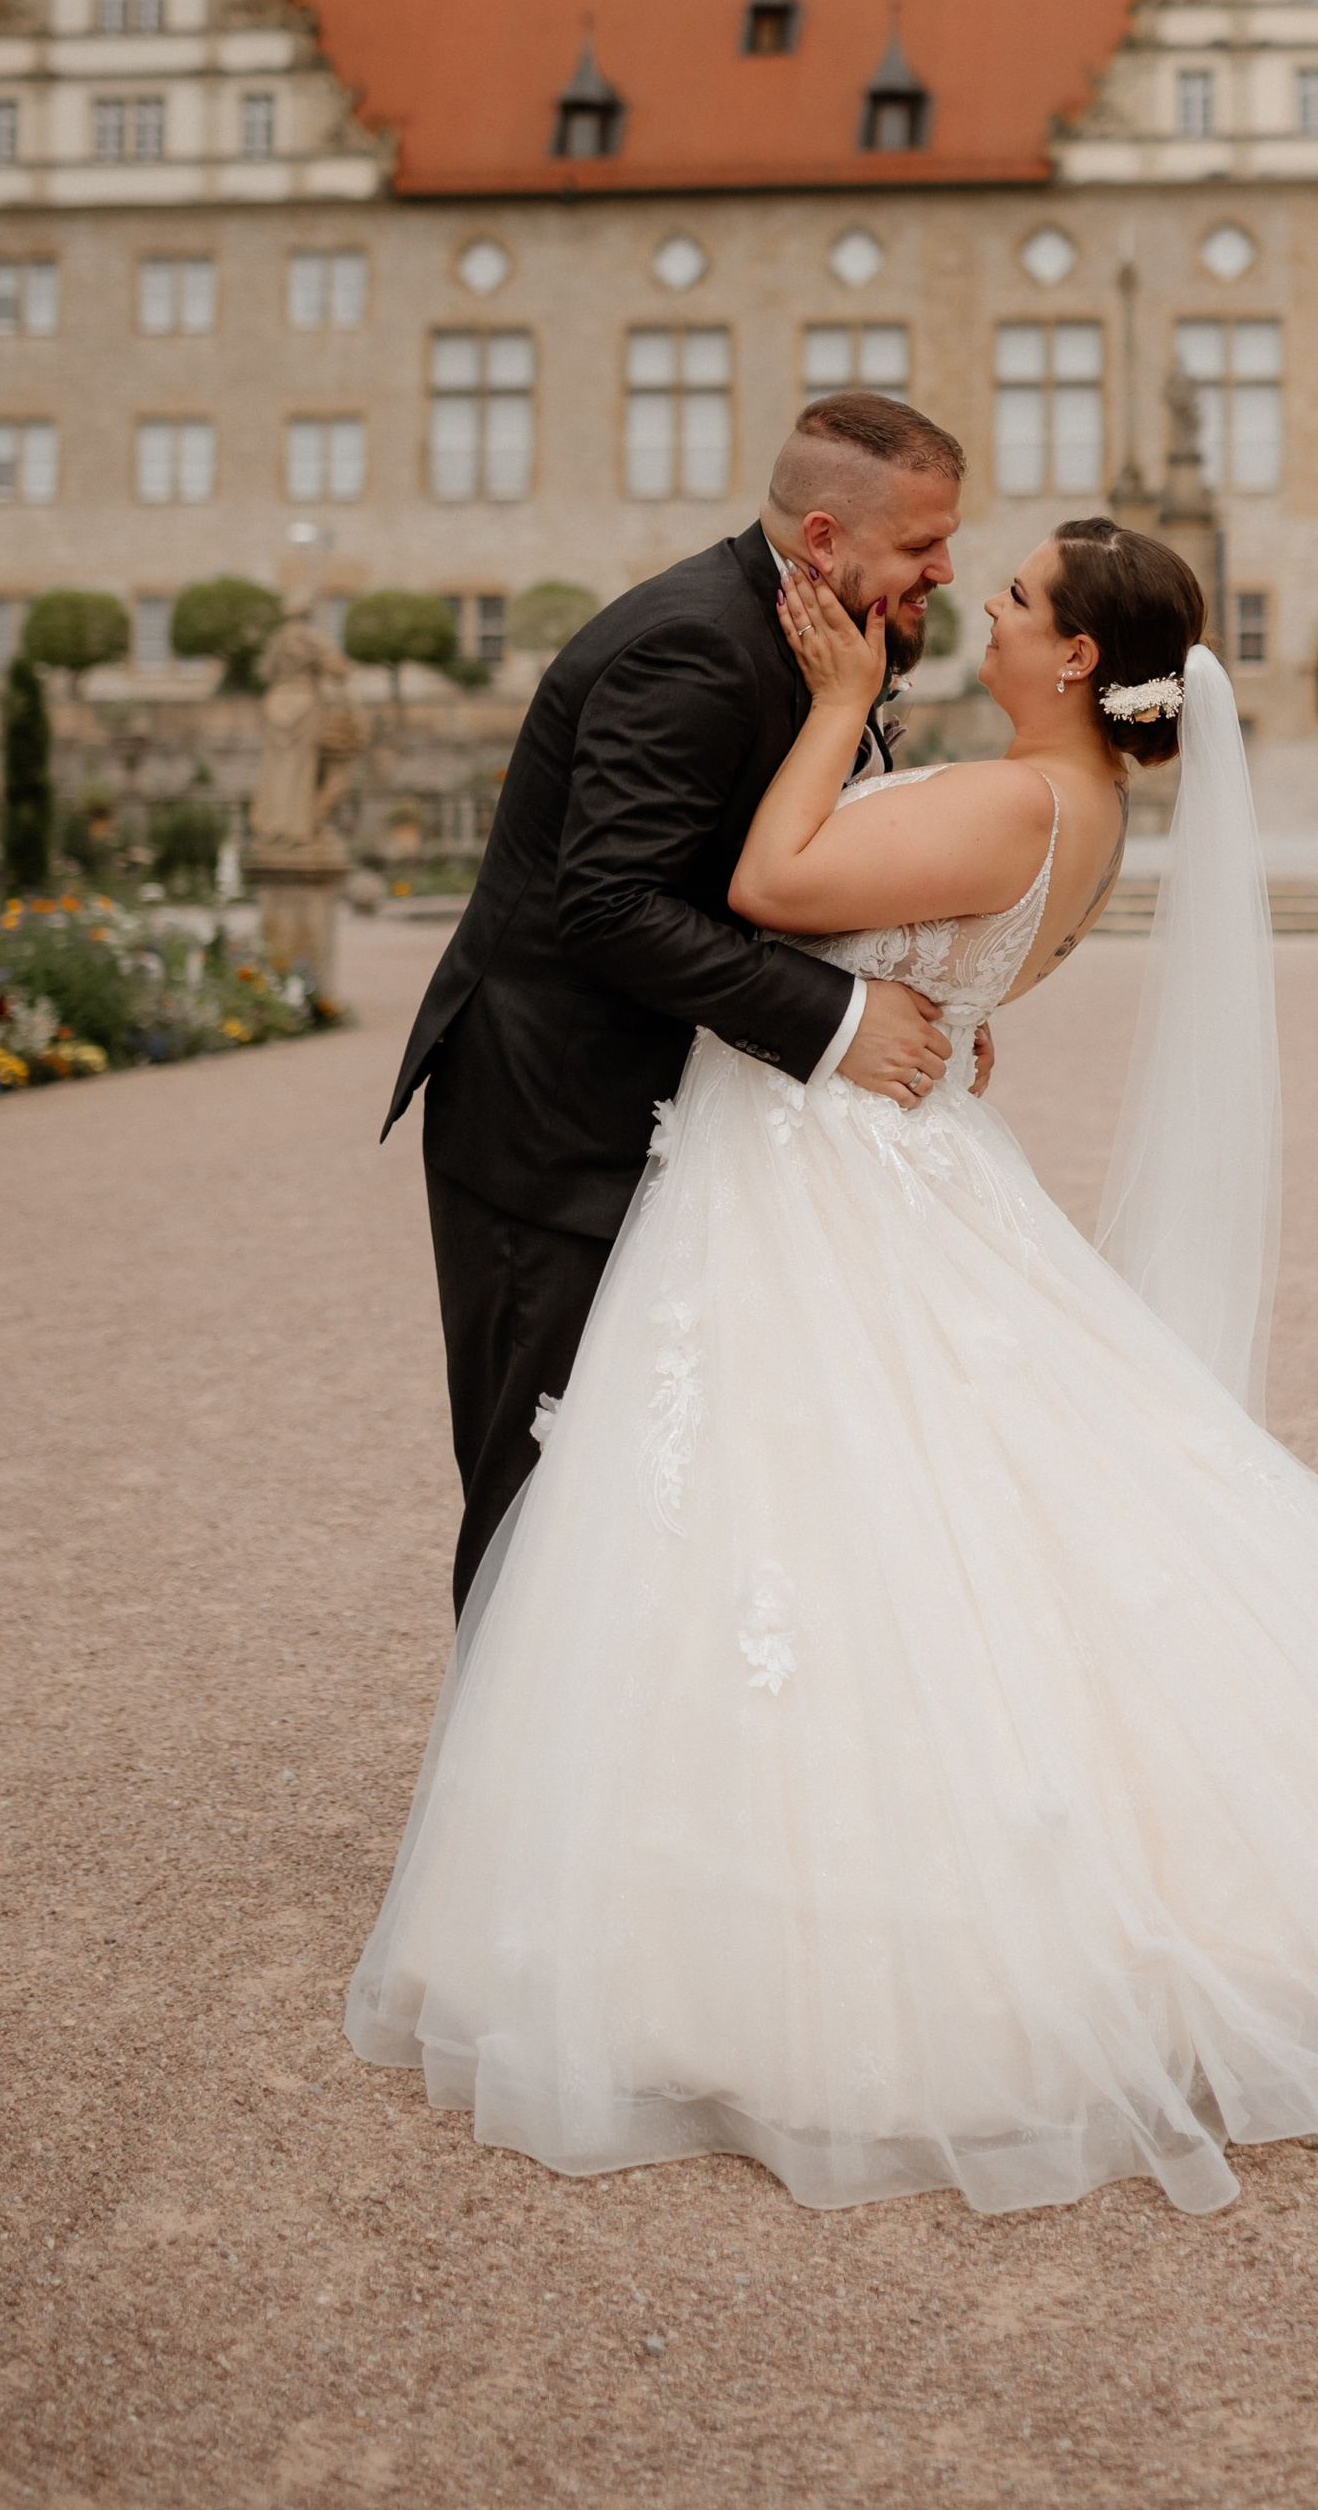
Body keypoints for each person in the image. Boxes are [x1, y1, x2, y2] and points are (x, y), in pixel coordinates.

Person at [350, 510, 1318, 2217]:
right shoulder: (1075, 803)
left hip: (835, 1178)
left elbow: (768, 890)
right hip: (876, 1155)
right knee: (891, 1512)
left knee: (837, 1511)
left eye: (1023, 593)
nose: (986, 599)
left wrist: (833, 710)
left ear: (1072, 659)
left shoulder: (1019, 795)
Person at [382, 394, 973, 1613]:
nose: (947, 570)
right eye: (922, 545)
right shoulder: (693, 646)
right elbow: (607, 906)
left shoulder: (825, 645)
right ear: (825, 537)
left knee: (661, 1478)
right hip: (552, 1127)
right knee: (541, 1484)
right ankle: (507, 1791)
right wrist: (845, 1023)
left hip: (673, 1121)